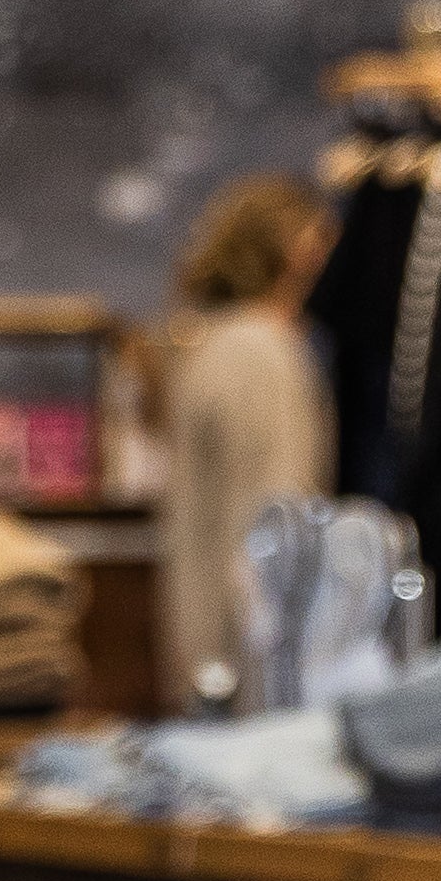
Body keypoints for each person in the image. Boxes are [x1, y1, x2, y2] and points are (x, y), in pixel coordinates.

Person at [158, 172, 330, 703]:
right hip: (246, 649)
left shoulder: (218, 341)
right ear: (296, 252)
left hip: (212, 637)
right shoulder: (258, 351)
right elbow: (274, 514)